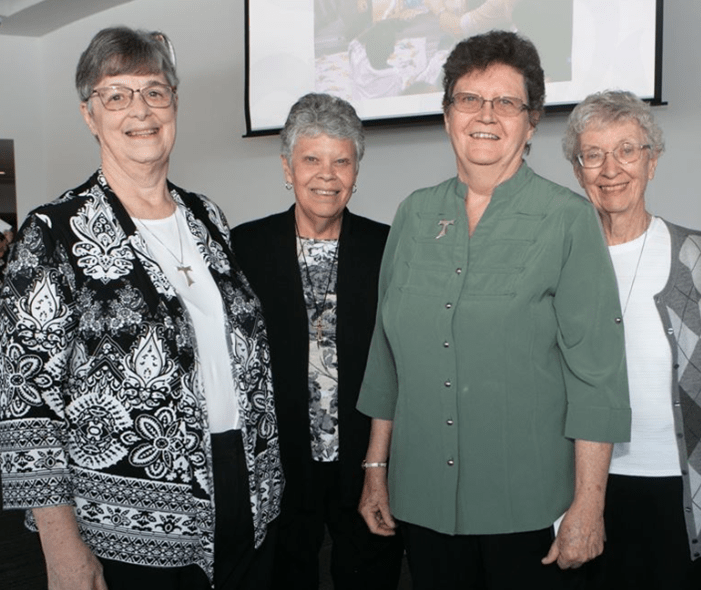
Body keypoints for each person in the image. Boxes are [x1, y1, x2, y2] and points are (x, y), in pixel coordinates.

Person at [0, 26, 282, 590]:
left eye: (155, 91)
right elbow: (23, 405)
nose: (141, 109)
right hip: (128, 526)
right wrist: (62, 550)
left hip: (245, 491)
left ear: (174, 104)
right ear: (89, 114)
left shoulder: (208, 219)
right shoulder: (52, 234)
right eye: (117, 94)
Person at [356, 30, 631, 589]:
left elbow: (597, 378)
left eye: (506, 102)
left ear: (531, 122)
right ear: (447, 114)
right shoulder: (413, 214)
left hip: (529, 509)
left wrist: (588, 507)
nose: (486, 115)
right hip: (424, 500)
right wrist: (375, 471)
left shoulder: (567, 220)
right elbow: (386, 360)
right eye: (468, 99)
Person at [231, 93, 403, 590]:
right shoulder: (244, 247)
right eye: (311, 159)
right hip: (278, 462)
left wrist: (378, 462)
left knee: (370, 573)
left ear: (356, 171)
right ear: (287, 167)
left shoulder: (387, 247)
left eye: (341, 161)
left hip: (367, 455)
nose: (327, 175)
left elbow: (398, 360)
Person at [562, 90, 701, 590]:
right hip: (579, 488)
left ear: (652, 161)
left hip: (680, 489)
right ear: (578, 171)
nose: (610, 169)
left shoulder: (694, 258)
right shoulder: (557, 261)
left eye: (627, 150)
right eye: (593, 155)